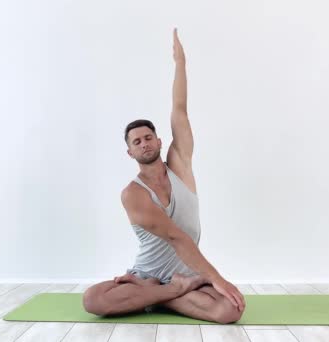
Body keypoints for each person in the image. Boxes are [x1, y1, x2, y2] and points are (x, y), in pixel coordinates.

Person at [82, 28, 246, 324]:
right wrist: (218, 279)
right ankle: (171, 293)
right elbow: (175, 236)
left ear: (159, 142)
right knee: (92, 299)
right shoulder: (133, 193)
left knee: (229, 311)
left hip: (186, 275)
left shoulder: (180, 165)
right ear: (130, 153)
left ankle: (160, 296)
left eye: (148, 137)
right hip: (145, 276)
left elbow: (179, 110)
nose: (144, 143)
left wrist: (180, 64)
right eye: (136, 141)